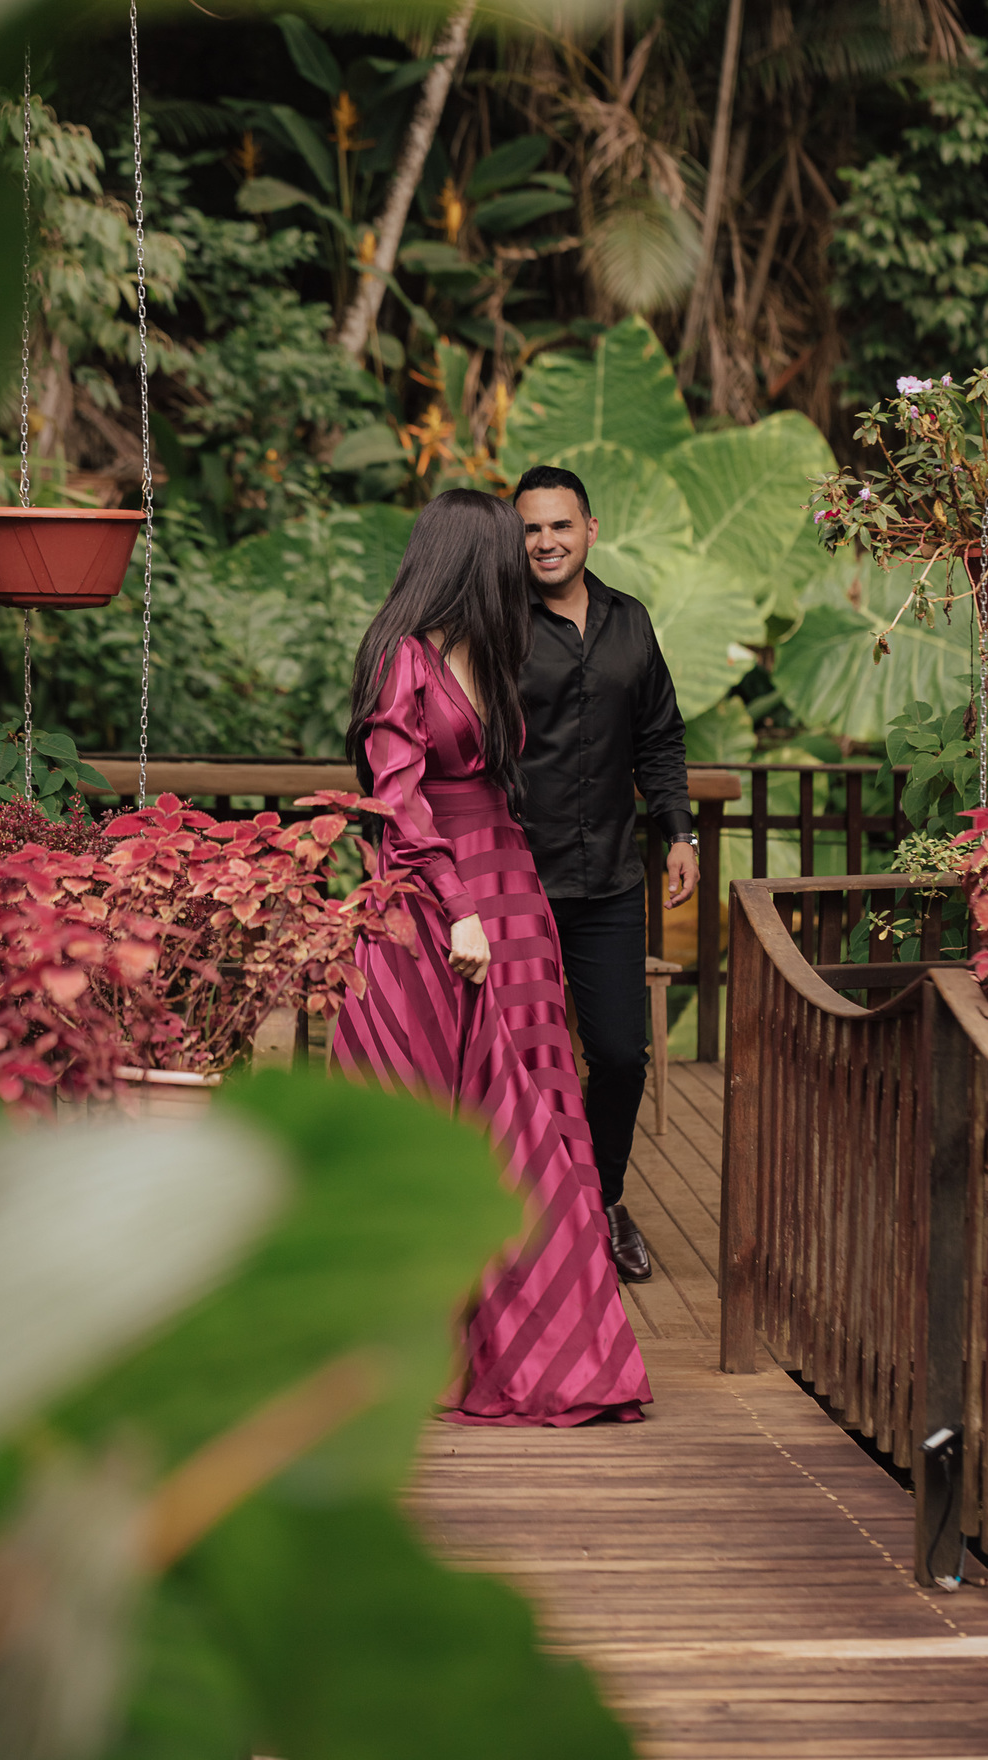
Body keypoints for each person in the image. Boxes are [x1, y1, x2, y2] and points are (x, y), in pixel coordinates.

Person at [333, 489, 651, 1427]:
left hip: (510, 891)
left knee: (536, 1112)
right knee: (433, 1107)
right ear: (472, 559)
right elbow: (398, 800)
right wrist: (459, 908)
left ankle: (552, 1350)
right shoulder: (403, 658)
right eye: (510, 549)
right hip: (435, 903)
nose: (527, 561)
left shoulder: (491, 650)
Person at [513, 465, 700, 1286]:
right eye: (531, 529)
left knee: (621, 1056)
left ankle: (603, 1198)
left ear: (590, 529)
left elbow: (660, 736)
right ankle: (523, 1223)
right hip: (520, 879)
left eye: (560, 525)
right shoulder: (497, 626)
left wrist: (679, 832)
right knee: (521, 1061)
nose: (546, 541)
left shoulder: (631, 622)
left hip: (613, 879)